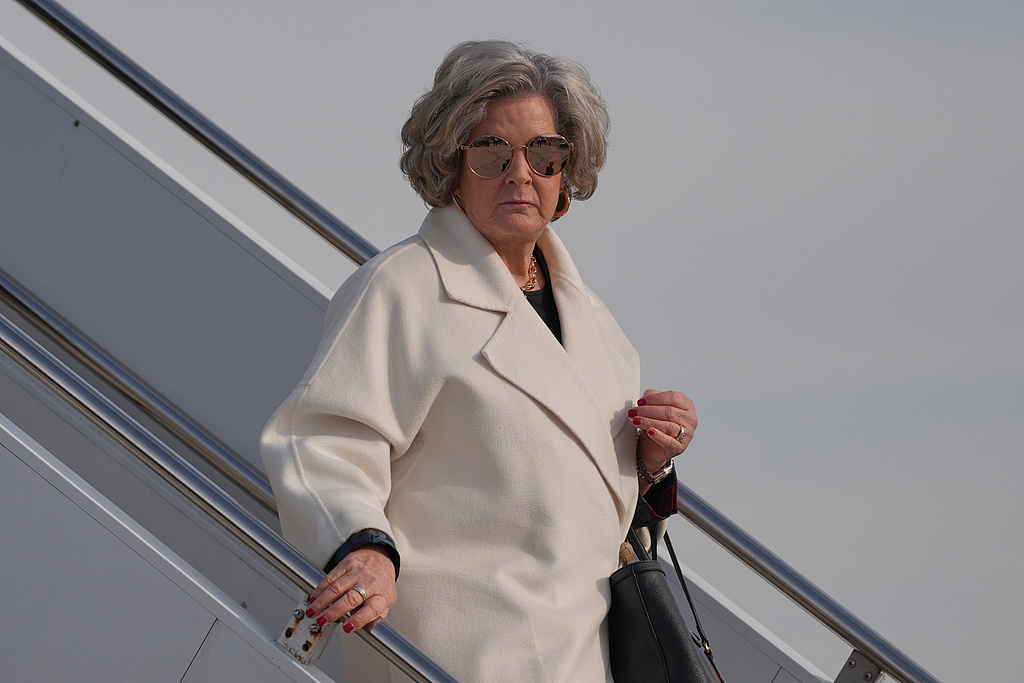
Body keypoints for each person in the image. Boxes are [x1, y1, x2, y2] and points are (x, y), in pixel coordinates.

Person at [260, 39, 697, 683]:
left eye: (545, 154)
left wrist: (650, 462)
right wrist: (364, 546)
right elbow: (320, 439)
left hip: (579, 662)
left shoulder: (603, 330)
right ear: (451, 164)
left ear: (567, 171)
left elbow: (589, 516)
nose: (521, 173)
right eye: (493, 152)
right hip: (453, 657)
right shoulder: (402, 287)